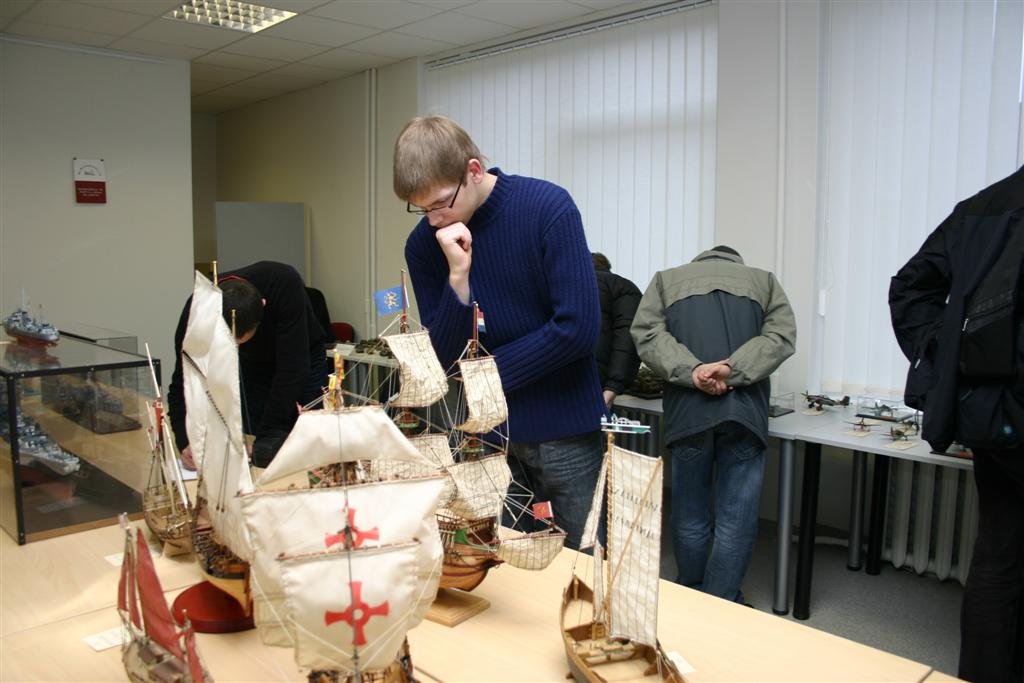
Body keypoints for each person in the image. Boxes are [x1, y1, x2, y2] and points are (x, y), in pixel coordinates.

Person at [394, 115, 605, 550]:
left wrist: (483, 375)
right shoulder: (424, 245)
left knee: (584, 561)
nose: (433, 220)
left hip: (565, 431)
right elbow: (442, 356)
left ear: (473, 171)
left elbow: (578, 328)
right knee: (499, 559)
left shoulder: (547, 207)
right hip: (487, 436)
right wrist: (458, 278)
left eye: (441, 204)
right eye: (422, 209)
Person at [889, 165, 1024, 683]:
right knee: (999, 560)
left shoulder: (983, 206)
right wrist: (952, 354)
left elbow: (910, 288)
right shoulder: (985, 208)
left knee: (998, 558)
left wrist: (952, 358)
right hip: (1001, 414)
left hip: (992, 416)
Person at [631, 245, 796, 603]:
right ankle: (721, 601)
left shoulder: (665, 281)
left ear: (699, 261)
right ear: (737, 262)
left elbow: (647, 335)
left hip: (688, 414)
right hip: (744, 414)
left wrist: (693, 371)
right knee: (735, 519)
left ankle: (692, 594)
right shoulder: (764, 281)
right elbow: (780, 338)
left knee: (689, 512)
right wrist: (730, 370)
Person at [167, 261, 329, 469]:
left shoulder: (284, 283)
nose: (235, 346)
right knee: (257, 440)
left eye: (240, 341)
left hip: (302, 353)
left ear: (263, 304)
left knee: (307, 433)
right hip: (252, 364)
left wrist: (268, 437)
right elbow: (183, 381)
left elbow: (293, 370)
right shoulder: (197, 310)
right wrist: (185, 440)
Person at [592, 252, 642, 413]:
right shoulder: (624, 288)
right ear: (607, 267)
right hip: (599, 386)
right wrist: (613, 387)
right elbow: (628, 338)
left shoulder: (565, 286)